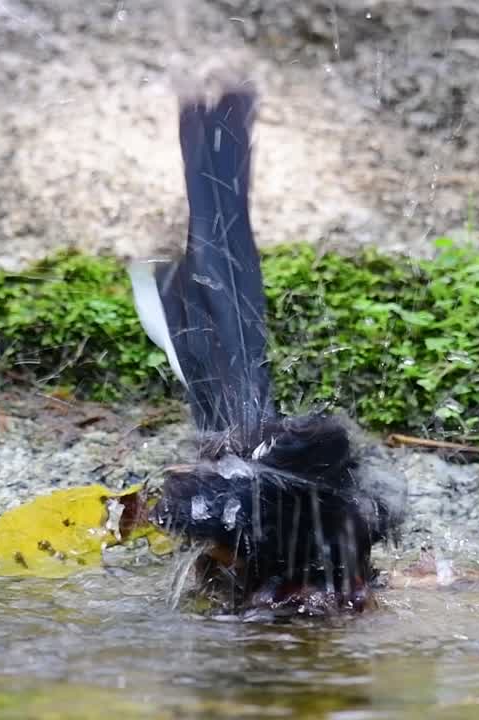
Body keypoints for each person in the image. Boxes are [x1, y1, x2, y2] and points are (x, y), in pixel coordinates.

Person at [127, 79, 398, 615]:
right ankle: (217, 147)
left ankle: (215, 147)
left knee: (231, 349)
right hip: (253, 474)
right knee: (231, 344)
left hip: (251, 470)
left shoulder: (339, 523)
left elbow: (176, 510)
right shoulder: (335, 525)